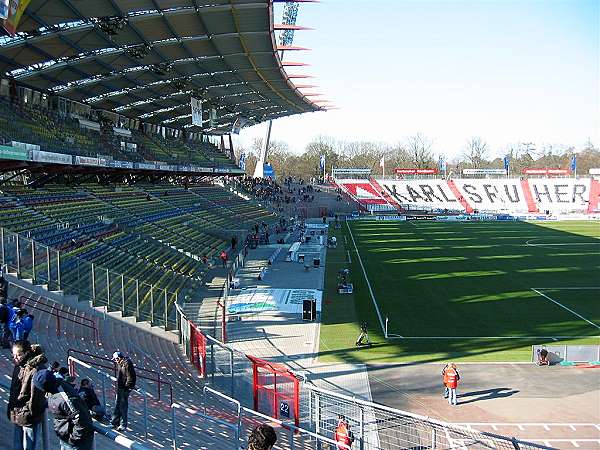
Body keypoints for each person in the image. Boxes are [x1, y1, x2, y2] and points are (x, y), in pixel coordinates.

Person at [39, 368, 95, 450]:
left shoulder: (64, 397)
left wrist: (73, 439)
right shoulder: (56, 389)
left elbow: (81, 420)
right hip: (66, 436)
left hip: (74, 442)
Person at [8, 341, 48, 450]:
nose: (15, 358)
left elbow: (36, 397)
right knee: (17, 446)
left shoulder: (37, 369)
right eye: (13, 355)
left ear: (26, 353)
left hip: (29, 417)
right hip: (17, 412)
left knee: (29, 447)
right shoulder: (18, 366)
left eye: (18, 355)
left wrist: (29, 413)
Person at [111, 351, 136, 431]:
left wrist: (127, 388)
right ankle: (114, 422)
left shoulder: (127, 364)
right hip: (121, 387)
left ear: (118, 358)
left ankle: (123, 424)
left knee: (122, 406)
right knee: (117, 405)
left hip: (124, 388)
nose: (115, 361)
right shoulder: (121, 363)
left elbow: (131, 377)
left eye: (115, 359)